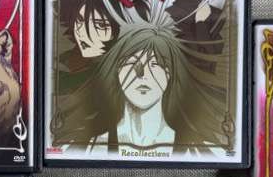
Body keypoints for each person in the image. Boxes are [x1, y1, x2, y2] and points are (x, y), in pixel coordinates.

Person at [53, 19, 228, 155]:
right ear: (117, 72)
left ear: (169, 74)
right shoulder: (88, 148)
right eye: (132, 63)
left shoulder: (200, 151)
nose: (143, 75)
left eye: (155, 64)